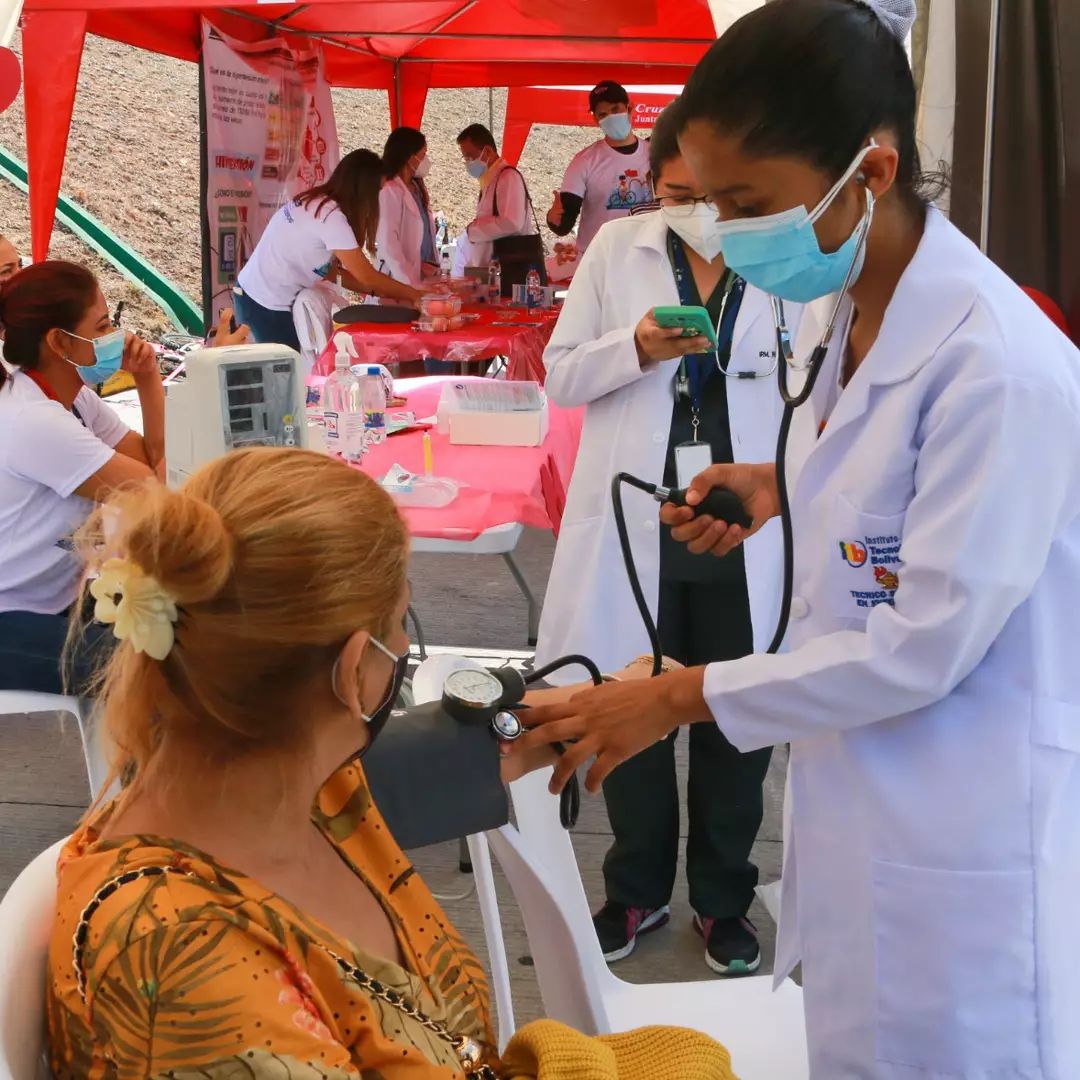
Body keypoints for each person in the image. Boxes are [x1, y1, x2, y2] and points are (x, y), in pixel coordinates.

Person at [515, 1, 1080, 1076]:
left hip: (964, 849)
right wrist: (779, 484)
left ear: (869, 172)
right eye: (706, 200)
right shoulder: (850, 311)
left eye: (746, 203)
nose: (725, 233)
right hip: (862, 817)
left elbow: (921, 648)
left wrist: (679, 693)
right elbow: (886, 476)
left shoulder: (995, 367)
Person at [46, 447, 736, 1079]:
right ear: (355, 671)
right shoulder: (187, 974)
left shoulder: (290, 784)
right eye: (401, 623)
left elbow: (477, 748)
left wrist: (636, 695)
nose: (404, 645)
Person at [534, 101, 790, 976]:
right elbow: (560, 374)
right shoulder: (619, 250)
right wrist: (634, 346)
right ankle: (633, 888)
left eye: (711, 192)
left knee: (735, 723)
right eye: (675, 190)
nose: (694, 208)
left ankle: (723, 899)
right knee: (629, 714)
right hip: (637, 526)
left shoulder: (788, 254)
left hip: (743, 533)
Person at [0, 261, 164, 695]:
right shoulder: (36, 421)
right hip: (12, 620)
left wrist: (147, 378)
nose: (117, 339)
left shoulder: (73, 400)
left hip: (55, 604)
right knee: (155, 667)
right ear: (59, 342)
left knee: (170, 622)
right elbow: (153, 486)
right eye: (104, 325)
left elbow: (152, 459)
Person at [235, 149, 425, 350]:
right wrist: (412, 294)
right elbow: (366, 276)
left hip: (253, 295)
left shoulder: (317, 202)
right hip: (264, 304)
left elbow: (332, 272)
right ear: (363, 190)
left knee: (289, 370)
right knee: (284, 375)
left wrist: (385, 291)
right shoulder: (330, 217)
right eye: (376, 190)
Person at [546, 81, 654, 254]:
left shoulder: (656, 155)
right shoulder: (584, 161)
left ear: (629, 108)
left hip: (645, 255)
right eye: (603, 114)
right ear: (596, 119)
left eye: (615, 109)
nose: (610, 117)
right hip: (598, 259)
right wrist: (553, 218)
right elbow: (564, 224)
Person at [456, 122, 540, 269]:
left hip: (509, 268)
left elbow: (511, 223)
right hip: (493, 268)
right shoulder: (489, 180)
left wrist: (474, 230)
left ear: (487, 151)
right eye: (465, 158)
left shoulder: (508, 177)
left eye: (470, 157)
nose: (468, 163)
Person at [377, 126, 439, 289]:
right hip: (398, 280)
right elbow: (388, 243)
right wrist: (410, 281)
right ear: (410, 157)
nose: (426, 160)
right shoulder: (390, 191)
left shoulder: (416, 188)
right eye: (423, 155)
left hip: (422, 272)